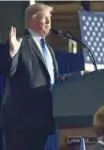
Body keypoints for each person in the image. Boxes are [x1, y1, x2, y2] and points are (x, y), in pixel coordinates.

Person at [0, 3, 68, 150]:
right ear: (32, 19)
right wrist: (12, 53)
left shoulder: (49, 49)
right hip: (20, 123)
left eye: (50, 18)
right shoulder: (20, 43)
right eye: (45, 18)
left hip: (42, 122)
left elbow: (52, 81)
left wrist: (76, 78)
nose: (49, 23)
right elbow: (8, 71)